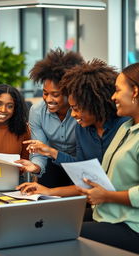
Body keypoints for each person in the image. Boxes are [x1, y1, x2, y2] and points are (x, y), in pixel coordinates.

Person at [17, 59, 128, 198]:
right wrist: (47, 160)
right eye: (45, 93)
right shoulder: (82, 128)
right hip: (83, 184)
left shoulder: (125, 126)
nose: (73, 114)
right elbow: (82, 169)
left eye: (55, 94)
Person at [78, 62, 139, 254]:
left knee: (62, 233)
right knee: (53, 221)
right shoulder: (126, 128)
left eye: (118, 91)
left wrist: (106, 196)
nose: (113, 97)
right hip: (107, 214)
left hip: (131, 225)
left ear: (135, 92)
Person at [17, 48, 84, 187]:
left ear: (69, 92)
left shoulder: (83, 112)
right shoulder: (37, 111)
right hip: (52, 163)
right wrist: (36, 166)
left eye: (55, 94)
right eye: (45, 93)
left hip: (80, 164)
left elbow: (83, 157)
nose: (48, 99)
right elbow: (39, 149)